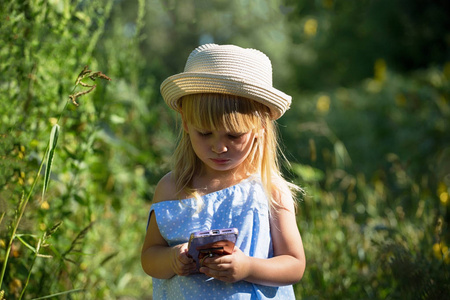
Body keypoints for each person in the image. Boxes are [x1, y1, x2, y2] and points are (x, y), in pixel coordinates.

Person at [141, 43, 306, 299]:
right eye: (205, 133)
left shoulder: (270, 190)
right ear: (186, 122)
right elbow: (150, 256)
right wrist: (172, 259)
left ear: (260, 127)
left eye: (234, 135)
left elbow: (294, 264)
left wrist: (249, 267)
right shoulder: (172, 188)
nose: (219, 147)